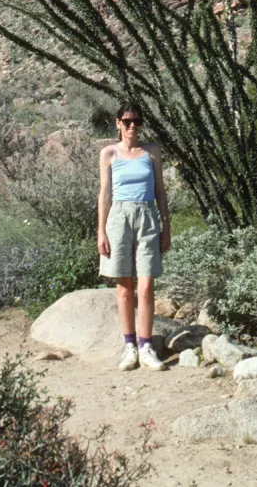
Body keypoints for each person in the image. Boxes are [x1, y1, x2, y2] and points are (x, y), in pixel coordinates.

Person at [97, 102, 172, 371]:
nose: (132, 126)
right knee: (124, 286)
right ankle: (129, 346)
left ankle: (146, 345)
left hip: (147, 216)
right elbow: (104, 194)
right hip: (118, 218)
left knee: (147, 284)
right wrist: (101, 231)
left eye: (136, 122)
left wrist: (166, 225)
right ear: (117, 123)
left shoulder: (151, 152)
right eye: (126, 121)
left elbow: (160, 190)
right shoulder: (109, 154)